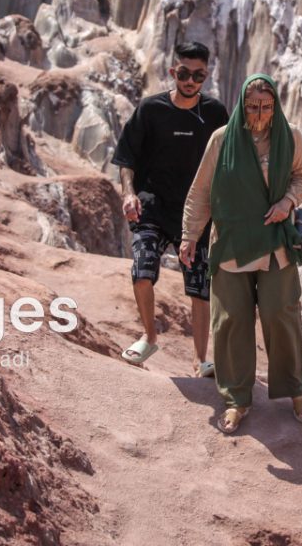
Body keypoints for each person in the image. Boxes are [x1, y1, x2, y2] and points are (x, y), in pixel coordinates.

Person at [179, 74, 302, 434]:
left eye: (266, 106)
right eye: (252, 106)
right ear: (242, 104)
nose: (259, 113)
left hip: (275, 244)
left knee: (279, 314)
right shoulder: (222, 140)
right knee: (231, 321)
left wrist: (288, 202)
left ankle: (296, 389)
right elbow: (201, 190)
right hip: (232, 244)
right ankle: (236, 398)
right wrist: (190, 236)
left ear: (275, 106)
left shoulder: (290, 137)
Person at [111, 42, 229, 375]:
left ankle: (200, 359)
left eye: (198, 75)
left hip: (196, 215)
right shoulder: (150, 109)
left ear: (206, 75)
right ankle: (149, 337)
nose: (190, 81)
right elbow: (126, 159)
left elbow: (233, 159)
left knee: (200, 287)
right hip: (152, 206)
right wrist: (128, 193)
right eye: (184, 73)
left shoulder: (217, 113)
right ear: (172, 71)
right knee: (142, 270)